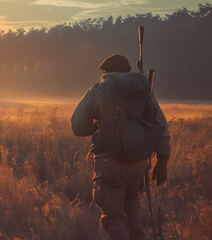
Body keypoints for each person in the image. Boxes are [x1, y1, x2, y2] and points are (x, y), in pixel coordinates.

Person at [71, 54, 171, 240]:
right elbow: (160, 125)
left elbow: (77, 125)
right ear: (127, 72)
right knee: (132, 204)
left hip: (109, 163)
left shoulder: (99, 89)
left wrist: (94, 127)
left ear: (105, 71)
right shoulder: (144, 93)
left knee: (114, 219)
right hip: (139, 164)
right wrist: (162, 160)